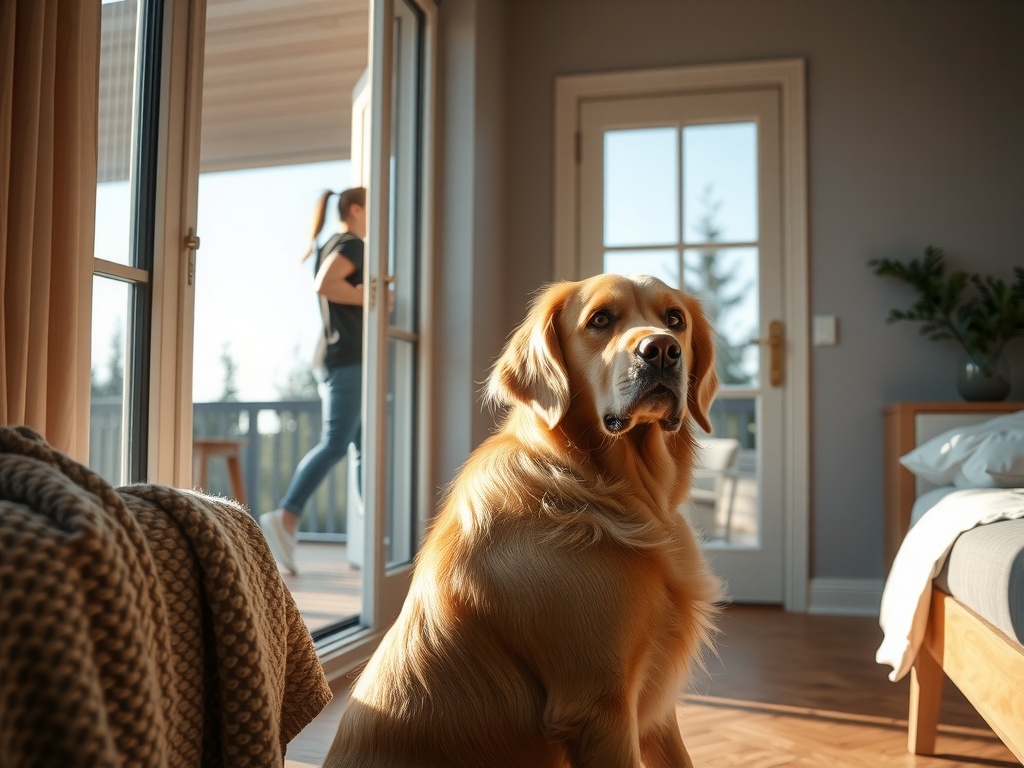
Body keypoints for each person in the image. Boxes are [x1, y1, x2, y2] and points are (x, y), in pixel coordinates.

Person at [260, 186, 366, 574]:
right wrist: (373, 297)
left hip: (339, 358)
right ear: (356, 210)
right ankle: (286, 516)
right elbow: (325, 284)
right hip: (349, 359)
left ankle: (364, 535)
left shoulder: (330, 243)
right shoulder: (353, 244)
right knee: (338, 442)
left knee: (361, 447)